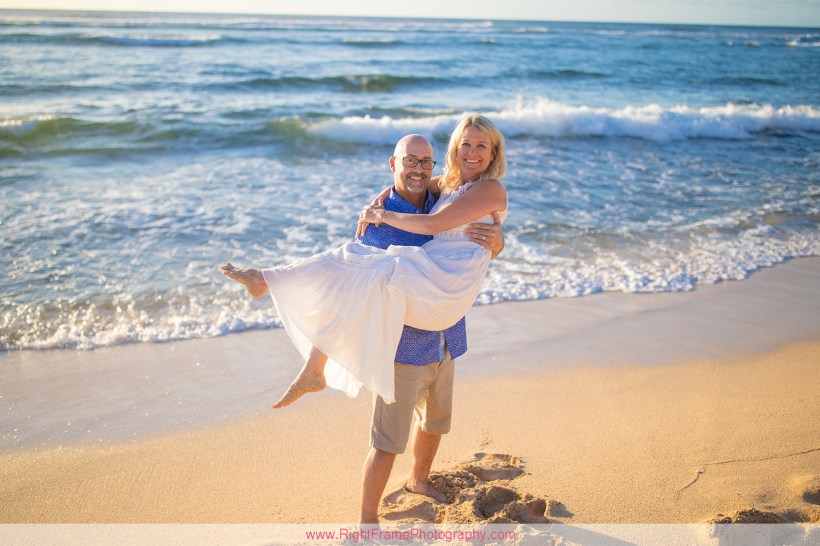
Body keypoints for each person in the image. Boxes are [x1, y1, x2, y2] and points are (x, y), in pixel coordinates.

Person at [221, 114, 507, 411]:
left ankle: (266, 281)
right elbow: (409, 185)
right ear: (455, 149)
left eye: (481, 146)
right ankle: (311, 362)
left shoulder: (491, 189)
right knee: (356, 267)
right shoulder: (452, 185)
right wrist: (380, 198)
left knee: (360, 265)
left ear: (493, 154)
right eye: (466, 144)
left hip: (446, 286)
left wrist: (380, 215)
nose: (472, 152)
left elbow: (434, 224)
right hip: (433, 277)